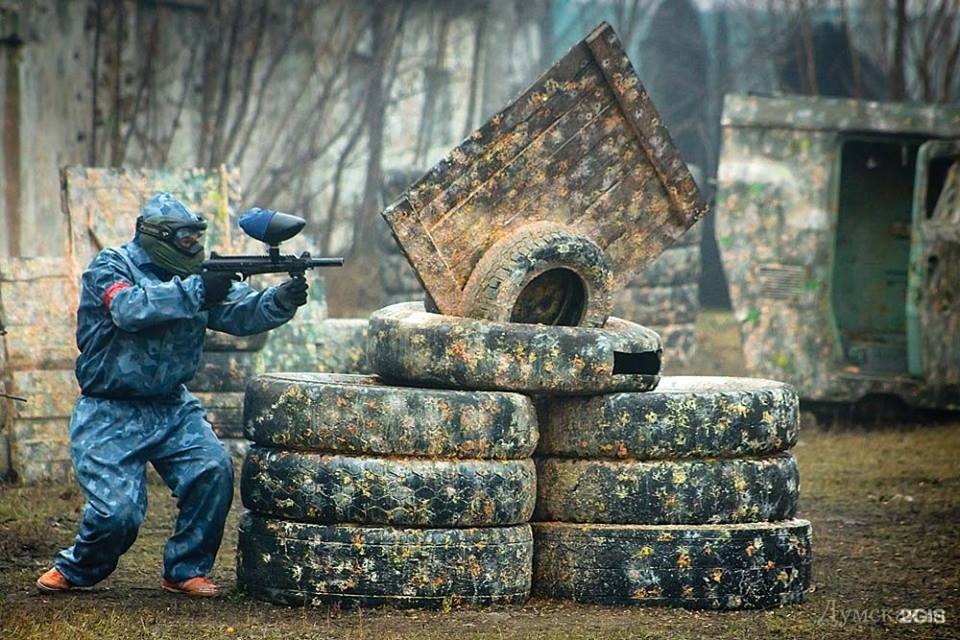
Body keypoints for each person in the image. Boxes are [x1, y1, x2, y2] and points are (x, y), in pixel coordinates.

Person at [35, 192, 309, 597]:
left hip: (170, 406)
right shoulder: (112, 267)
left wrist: (280, 300)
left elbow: (240, 314)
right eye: (185, 239)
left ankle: (184, 569)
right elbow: (129, 309)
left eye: (196, 238)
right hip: (110, 409)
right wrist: (199, 290)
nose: (194, 246)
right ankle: (79, 567)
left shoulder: (198, 275)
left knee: (213, 470)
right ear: (159, 236)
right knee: (118, 514)